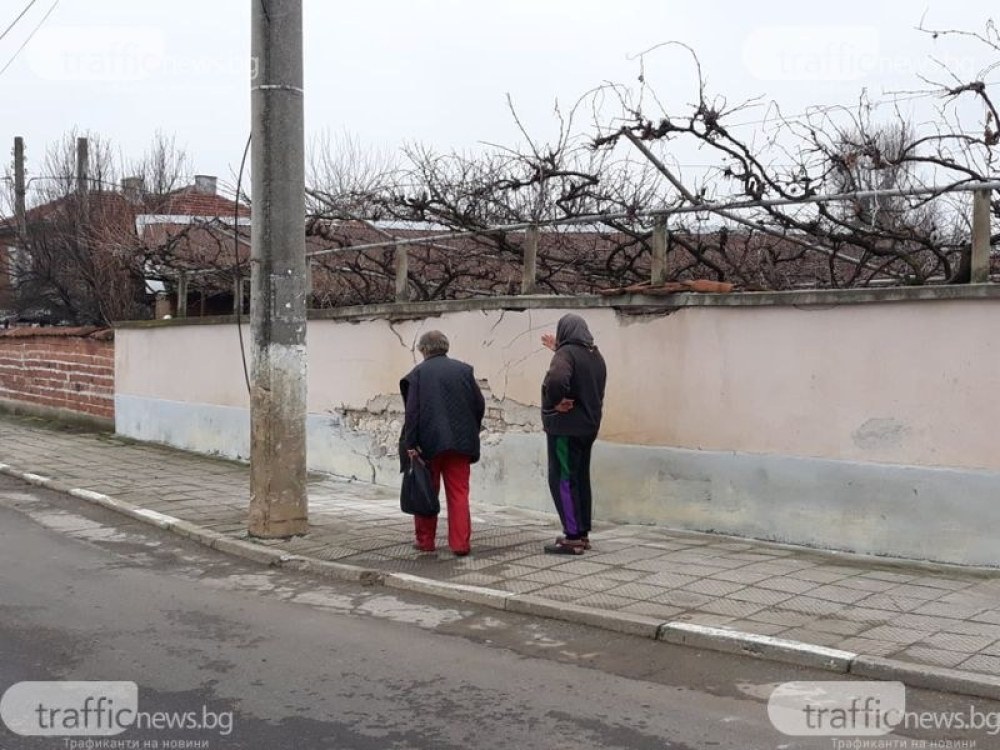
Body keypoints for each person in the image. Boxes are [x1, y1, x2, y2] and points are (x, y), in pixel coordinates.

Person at [400, 330, 485, 556]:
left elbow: (412, 412)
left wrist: (411, 443)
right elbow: (479, 404)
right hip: (460, 443)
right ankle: (460, 544)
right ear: (445, 346)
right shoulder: (464, 371)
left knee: (426, 491)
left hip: (427, 445)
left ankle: (425, 541)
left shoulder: (418, 374)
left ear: (423, 349)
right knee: (459, 494)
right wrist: (471, 430)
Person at [540, 314, 607, 555]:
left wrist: (555, 400)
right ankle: (582, 532)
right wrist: (559, 350)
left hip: (565, 428)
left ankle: (572, 536)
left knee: (562, 479)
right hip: (588, 427)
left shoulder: (566, 354)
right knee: (580, 478)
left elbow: (558, 378)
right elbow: (580, 376)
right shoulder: (595, 356)